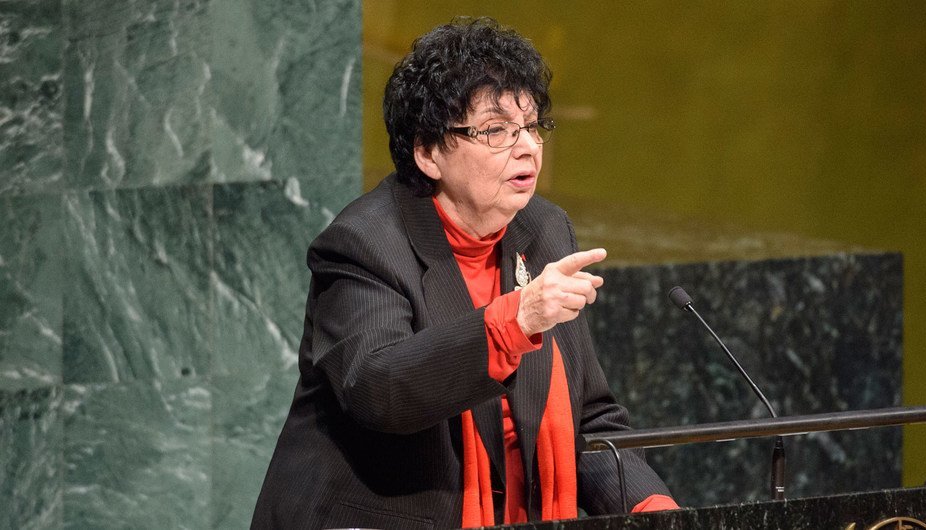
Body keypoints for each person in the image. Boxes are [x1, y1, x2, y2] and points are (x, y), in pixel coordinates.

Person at [251, 17, 677, 529]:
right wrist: (512, 323)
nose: (527, 147)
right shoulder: (365, 243)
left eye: (532, 125)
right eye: (497, 130)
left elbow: (588, 418)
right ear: (429, 152)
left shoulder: (543, 230)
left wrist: (655, 511)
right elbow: (380, 388)